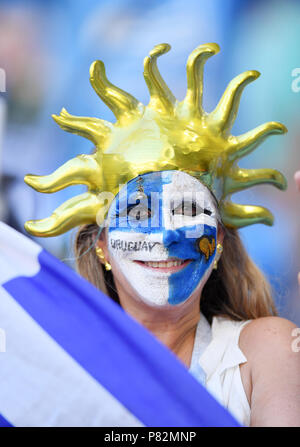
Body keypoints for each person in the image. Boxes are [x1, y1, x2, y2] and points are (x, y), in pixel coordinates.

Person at [24, 43, 300, 427]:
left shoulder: (266, 350)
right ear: (101, 244)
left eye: (188, 210)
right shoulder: (59, 364)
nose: (166, 237)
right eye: (137, 212)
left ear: (218, 240)